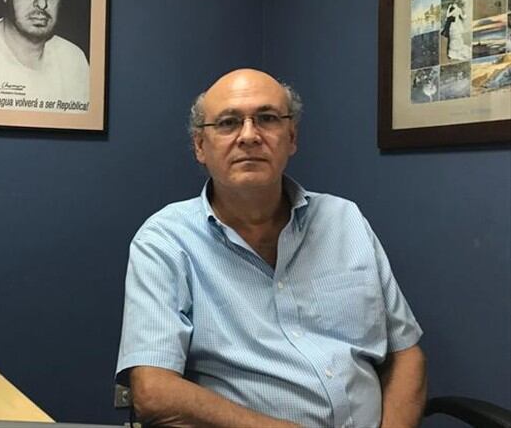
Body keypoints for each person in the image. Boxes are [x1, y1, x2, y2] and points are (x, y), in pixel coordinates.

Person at [116, 69, 426, 428]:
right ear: (201, 146)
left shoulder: (345, 220)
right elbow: (154, 391)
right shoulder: (166, 241)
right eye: (229, 123)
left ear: (291, 136)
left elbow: (406, 353)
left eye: (267, 118)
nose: (249, 136)